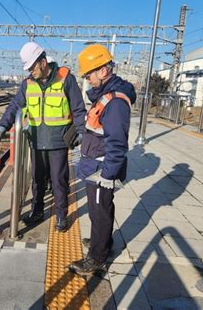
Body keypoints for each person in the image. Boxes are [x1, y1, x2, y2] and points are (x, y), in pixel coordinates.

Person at [0, 42, 86, 232]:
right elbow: (15, 105)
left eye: (32, 67)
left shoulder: (66, 79)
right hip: (36, 140)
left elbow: (78, 108)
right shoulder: (28, 84)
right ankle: (37, 211)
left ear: (43, 62)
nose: (30, 71)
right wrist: (4, 125)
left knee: (58, 180)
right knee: (37, 179)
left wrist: (81, 131)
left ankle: (61, 216)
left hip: (58, 141)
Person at [69, 44, 136, 275]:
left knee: (99, 211)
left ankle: (96, 258)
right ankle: (103, 243)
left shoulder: (115, 102)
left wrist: (108, 175)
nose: (87, 78)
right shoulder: (106, 96)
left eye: (89, 74)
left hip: (102, 168)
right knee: (102, 208)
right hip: (96, 163)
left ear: (103, 71)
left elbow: (117, 142)